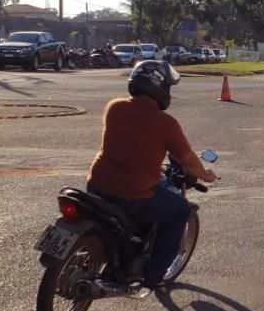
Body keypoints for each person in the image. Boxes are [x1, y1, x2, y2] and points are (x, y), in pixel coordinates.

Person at [87, 60, 217, 292]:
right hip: (132, 195)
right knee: (180, 211)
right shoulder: (166, 124)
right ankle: (154, 276)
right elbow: (188, 160)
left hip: (96, 185)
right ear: (161, 88)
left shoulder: (114, 107)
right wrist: (206, 175)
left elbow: (130, 140)